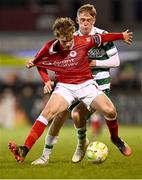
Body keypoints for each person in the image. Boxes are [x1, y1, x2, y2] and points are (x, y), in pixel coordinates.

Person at [8, 17, 132, 163]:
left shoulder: (84, 41)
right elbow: (38, 63)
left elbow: (104, 37)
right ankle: (25, 150)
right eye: (63, 41)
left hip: (87, 84)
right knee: (47, 113)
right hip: (65, 87)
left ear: (73, 33)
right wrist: (46, 80)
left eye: (69, 40)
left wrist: (121, 36)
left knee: (110, 111)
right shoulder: (49, 47)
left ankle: (115, 138)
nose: (67, 44)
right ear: (57, 37)